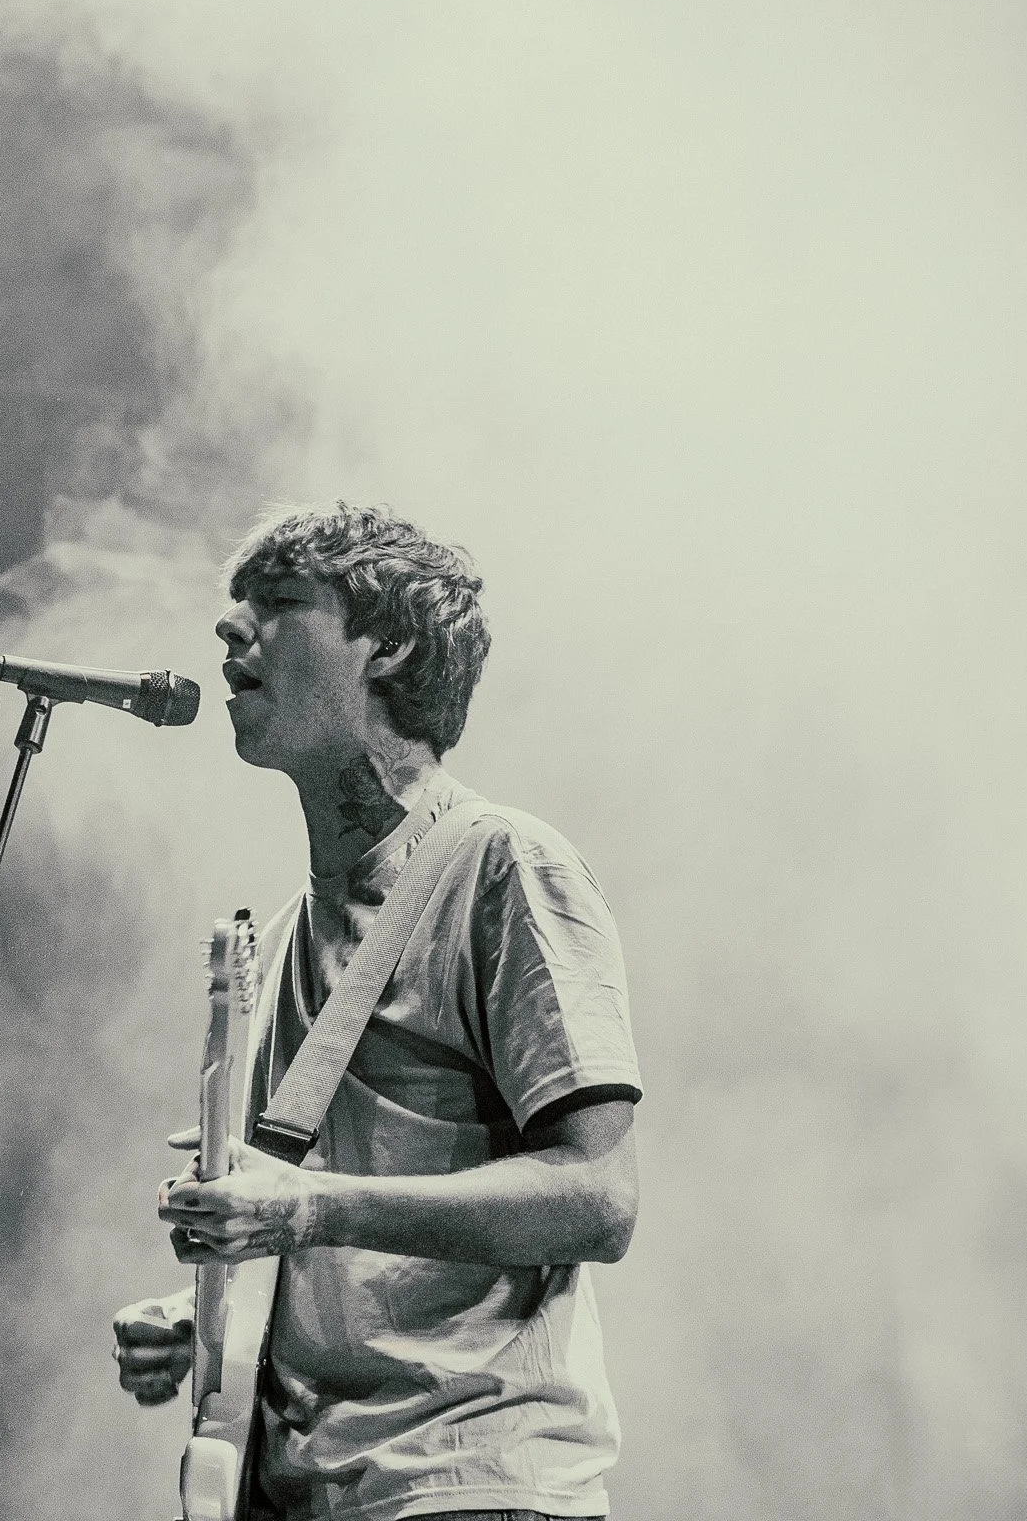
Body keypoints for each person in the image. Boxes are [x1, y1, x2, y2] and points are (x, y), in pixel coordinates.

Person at [113, 504, 643, 1521]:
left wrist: (307, 1208)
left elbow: (599, 1197)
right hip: (311, 1490)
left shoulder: (504, 864)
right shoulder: (280, 938)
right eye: (236, 604)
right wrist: (215, 1320)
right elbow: (348, 1240)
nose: (229, 626)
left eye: (278, 601)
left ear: (388, 646)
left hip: (467, 1483)